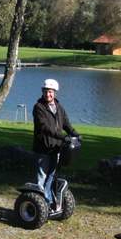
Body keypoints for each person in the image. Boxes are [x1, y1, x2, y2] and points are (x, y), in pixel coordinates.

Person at [32, 78, 81, 208]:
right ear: (42, 92)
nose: (48, 94)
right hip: (43, 148)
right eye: (46, 91)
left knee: (51, 175)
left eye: (50, 92)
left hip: (55, 148)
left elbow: (66, 124)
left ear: (55, 92)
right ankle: (39, 204)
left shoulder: (59, 107)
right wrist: (62, 137)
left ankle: (46, 201)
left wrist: (75, 134)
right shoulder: (39, 107)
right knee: (41, 177)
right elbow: (45, 128)